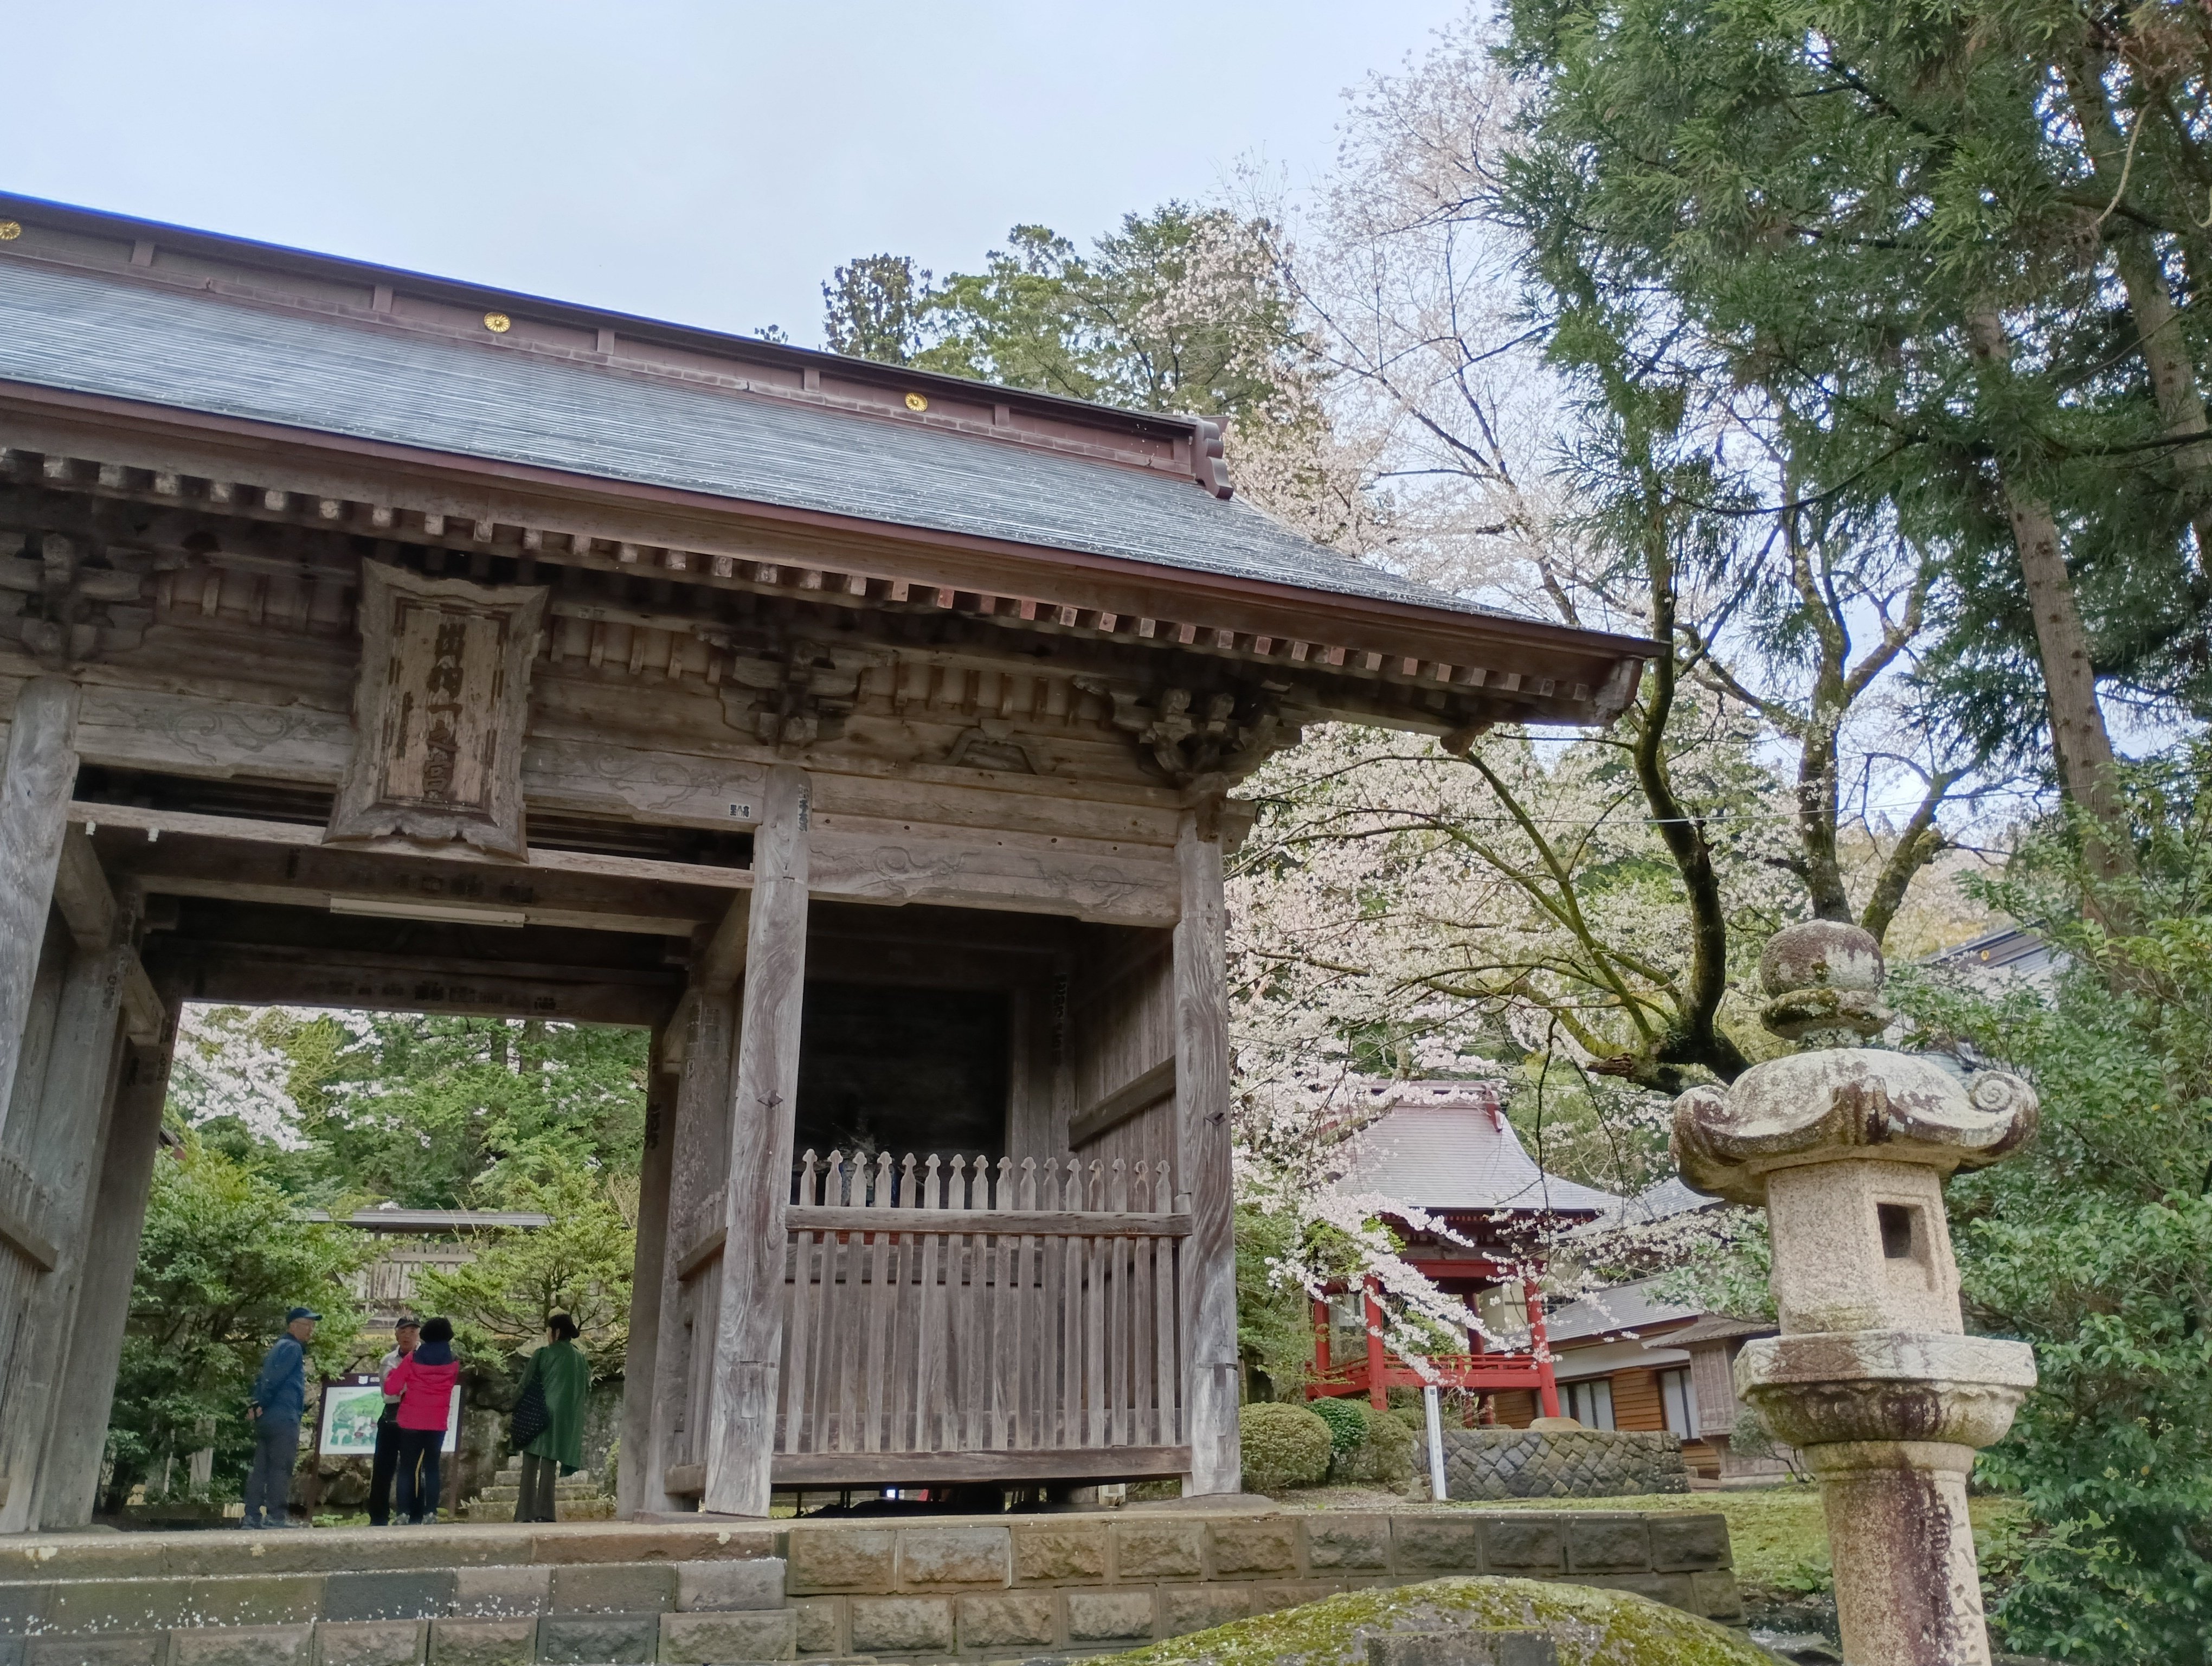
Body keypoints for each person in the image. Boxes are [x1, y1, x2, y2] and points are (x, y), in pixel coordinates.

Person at [242, 1306, 318, 1529]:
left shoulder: (278, 1347)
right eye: (307, 1325)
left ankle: (252, 1516)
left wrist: (256, 1404)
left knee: (261, 1468)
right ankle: (276, 1516)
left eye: (312, 1326)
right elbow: (273, 1381)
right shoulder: (292, 1348)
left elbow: (263, 1379)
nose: (311, 1330)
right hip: (282, 1415)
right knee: (280, 1467)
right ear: (292, 1326)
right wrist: (262, 1403)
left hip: (268, 1417)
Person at [512, 1312, 590, 1522]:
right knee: (549, 1465)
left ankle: (525, 1513)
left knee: (530, 1464)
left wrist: (513, 1403)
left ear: (555, 1332)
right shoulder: (581, 1358)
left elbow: (525, 1384)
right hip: (564, 1419)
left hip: (538, 1413)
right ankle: (546, 1513)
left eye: (548, 1330)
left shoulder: (542, 1354)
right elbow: (586, 1388)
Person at [382, 1316, 459, 1524]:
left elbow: (391, 1388)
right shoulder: (453, 1362)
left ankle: (403, 1514)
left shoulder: (413, 1358)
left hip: (411, 1422)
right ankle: (431, 1513)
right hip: (437, 1422)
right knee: (432, 1467)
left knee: (407, 1467)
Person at [366, 1315, 420, 1527]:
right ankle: (378, 1516)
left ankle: (413, 1514)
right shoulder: (388, 1360)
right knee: (382, 1469)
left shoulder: (425, 1358)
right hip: (391, 1416)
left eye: (413, 1331)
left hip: (416, 1417)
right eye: (404, 1331)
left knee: (414, 1469)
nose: (408, 1336)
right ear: (396, 1335)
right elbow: (389, 1392)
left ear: (419, 1335)